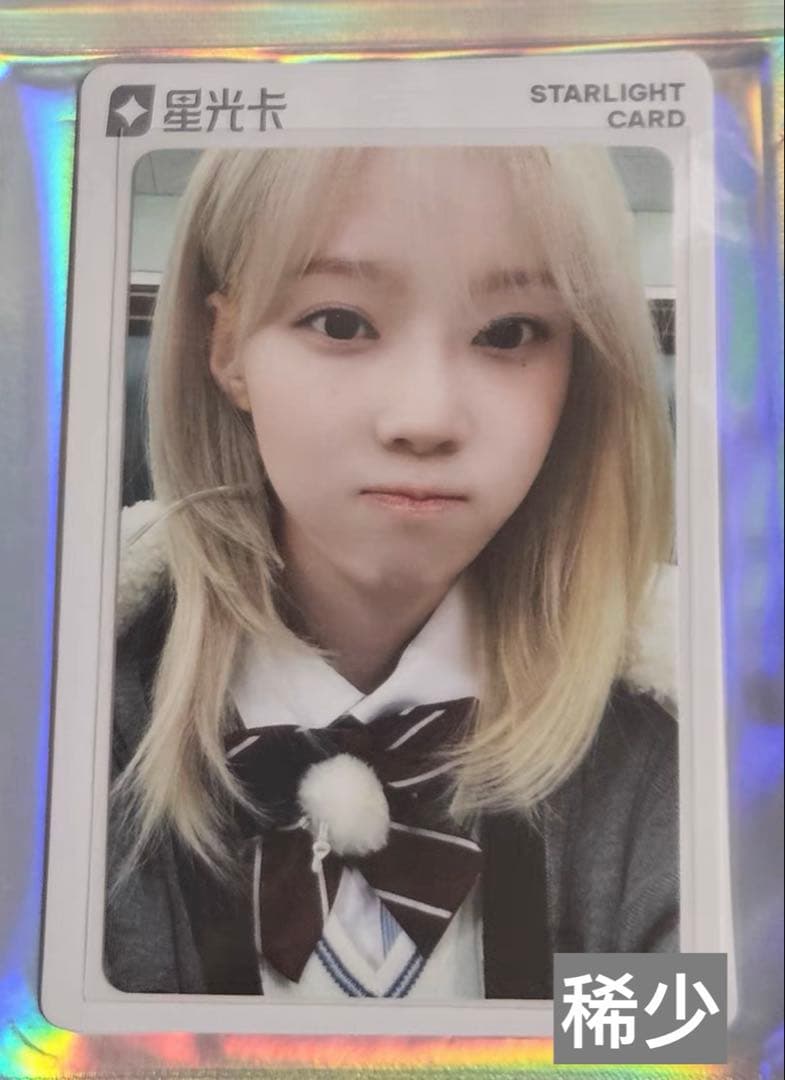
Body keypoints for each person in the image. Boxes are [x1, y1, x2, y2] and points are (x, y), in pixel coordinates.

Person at [106, 145, 678, 1000]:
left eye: (508, 333)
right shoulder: (52, 717)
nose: (425, 417)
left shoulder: (681, 740)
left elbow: (690, 1047)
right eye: (340, 322)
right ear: (227, 349)